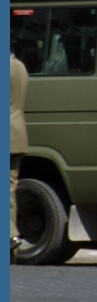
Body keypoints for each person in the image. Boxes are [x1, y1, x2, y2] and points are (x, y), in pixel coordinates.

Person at [10, 53, 29, 261]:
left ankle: (9, 236)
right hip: (17, 134)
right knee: (9, 190)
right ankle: (10, 247)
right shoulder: (20, 66)